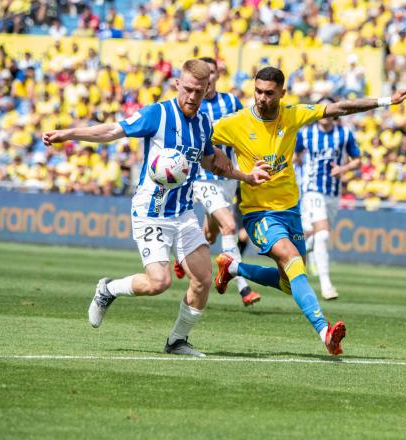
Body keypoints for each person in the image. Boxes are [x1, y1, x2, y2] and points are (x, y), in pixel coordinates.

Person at [42, 59, 270, 357]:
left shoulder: (203, 123)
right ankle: (108, 289)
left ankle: (177, 341)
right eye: (187, 89)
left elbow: (211, 162)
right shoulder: (157, 114)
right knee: (158, 282)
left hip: (184, 213)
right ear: (177, 84)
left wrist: (246, 176)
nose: (192, 96)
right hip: (151, 212)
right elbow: (113, 131)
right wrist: (69, 134)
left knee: (202, 280)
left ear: (206, 90)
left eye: (199, 92)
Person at [211, 66, 406, 356]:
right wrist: (233, 169)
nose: (261, 98)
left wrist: (387, 101)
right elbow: (201, 139)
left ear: (282, 93)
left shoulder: (292, 114)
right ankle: (325, 332)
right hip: (258, 212)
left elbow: (340, 107)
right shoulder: (236, 123)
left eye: (269, 93)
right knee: (293, 260)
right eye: (257, 91)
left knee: (289, 281)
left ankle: (233, 267)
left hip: (290, 209)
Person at [175, 56, 261, 307]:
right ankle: (242, 286)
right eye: (204, 73)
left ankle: (182, 258)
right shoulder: (192, 103)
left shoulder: (230, 102)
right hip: (202, 177)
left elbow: (242, 133)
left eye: (211, 72)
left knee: (210, 236)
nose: (208, 77)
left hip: (227, 178)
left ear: (216, 76)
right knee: (229, 226)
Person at [295, 99, 361, 300]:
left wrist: (343, 168)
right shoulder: (305, 133)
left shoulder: (345, 134)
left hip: (332, 192)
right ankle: (326, 285)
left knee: (315, 236)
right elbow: (295, 155)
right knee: (322, 235)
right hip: (311, 190)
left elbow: (357, 160)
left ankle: (294, 255)